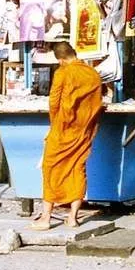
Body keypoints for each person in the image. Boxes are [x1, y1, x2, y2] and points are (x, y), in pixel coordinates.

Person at [32, 41, 104, 231]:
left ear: (61, 60)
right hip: (83, 130)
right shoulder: (92, 74)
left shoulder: (63, 73)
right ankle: (73, 217)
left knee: (50, 168)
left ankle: (46, 218)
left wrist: (54, 125)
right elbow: (97, 103)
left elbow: (54, 101)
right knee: (77, 168)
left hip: (63, 129)